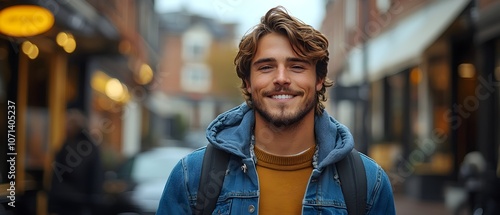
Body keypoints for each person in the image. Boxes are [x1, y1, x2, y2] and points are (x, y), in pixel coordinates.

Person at [157, 6, 396, 214]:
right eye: (266, 67)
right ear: (248, 83)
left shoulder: (368, 182)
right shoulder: (192, 177)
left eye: (297, 66)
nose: (281, 78)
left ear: (319, 79)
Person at [48, 109, 104, 215]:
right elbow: (96, 179)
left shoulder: (67, 146)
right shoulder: (91, 147)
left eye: (67, 124)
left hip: (65, 202)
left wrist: (52, 204)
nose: (65, 127)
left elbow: (57, 176)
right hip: (82, 204)